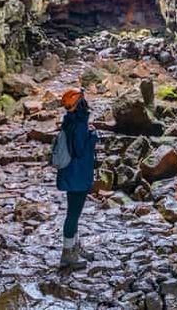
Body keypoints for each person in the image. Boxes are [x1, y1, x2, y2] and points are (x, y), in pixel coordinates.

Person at [57, 88, 99, 269]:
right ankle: (68, 253)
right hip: (78, 175)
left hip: (70, 173)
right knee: (73, 215)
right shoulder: (80, 123)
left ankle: (74, 247)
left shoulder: (69, 120)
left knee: (73, 212)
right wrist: (93, 136)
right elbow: (81, 150)